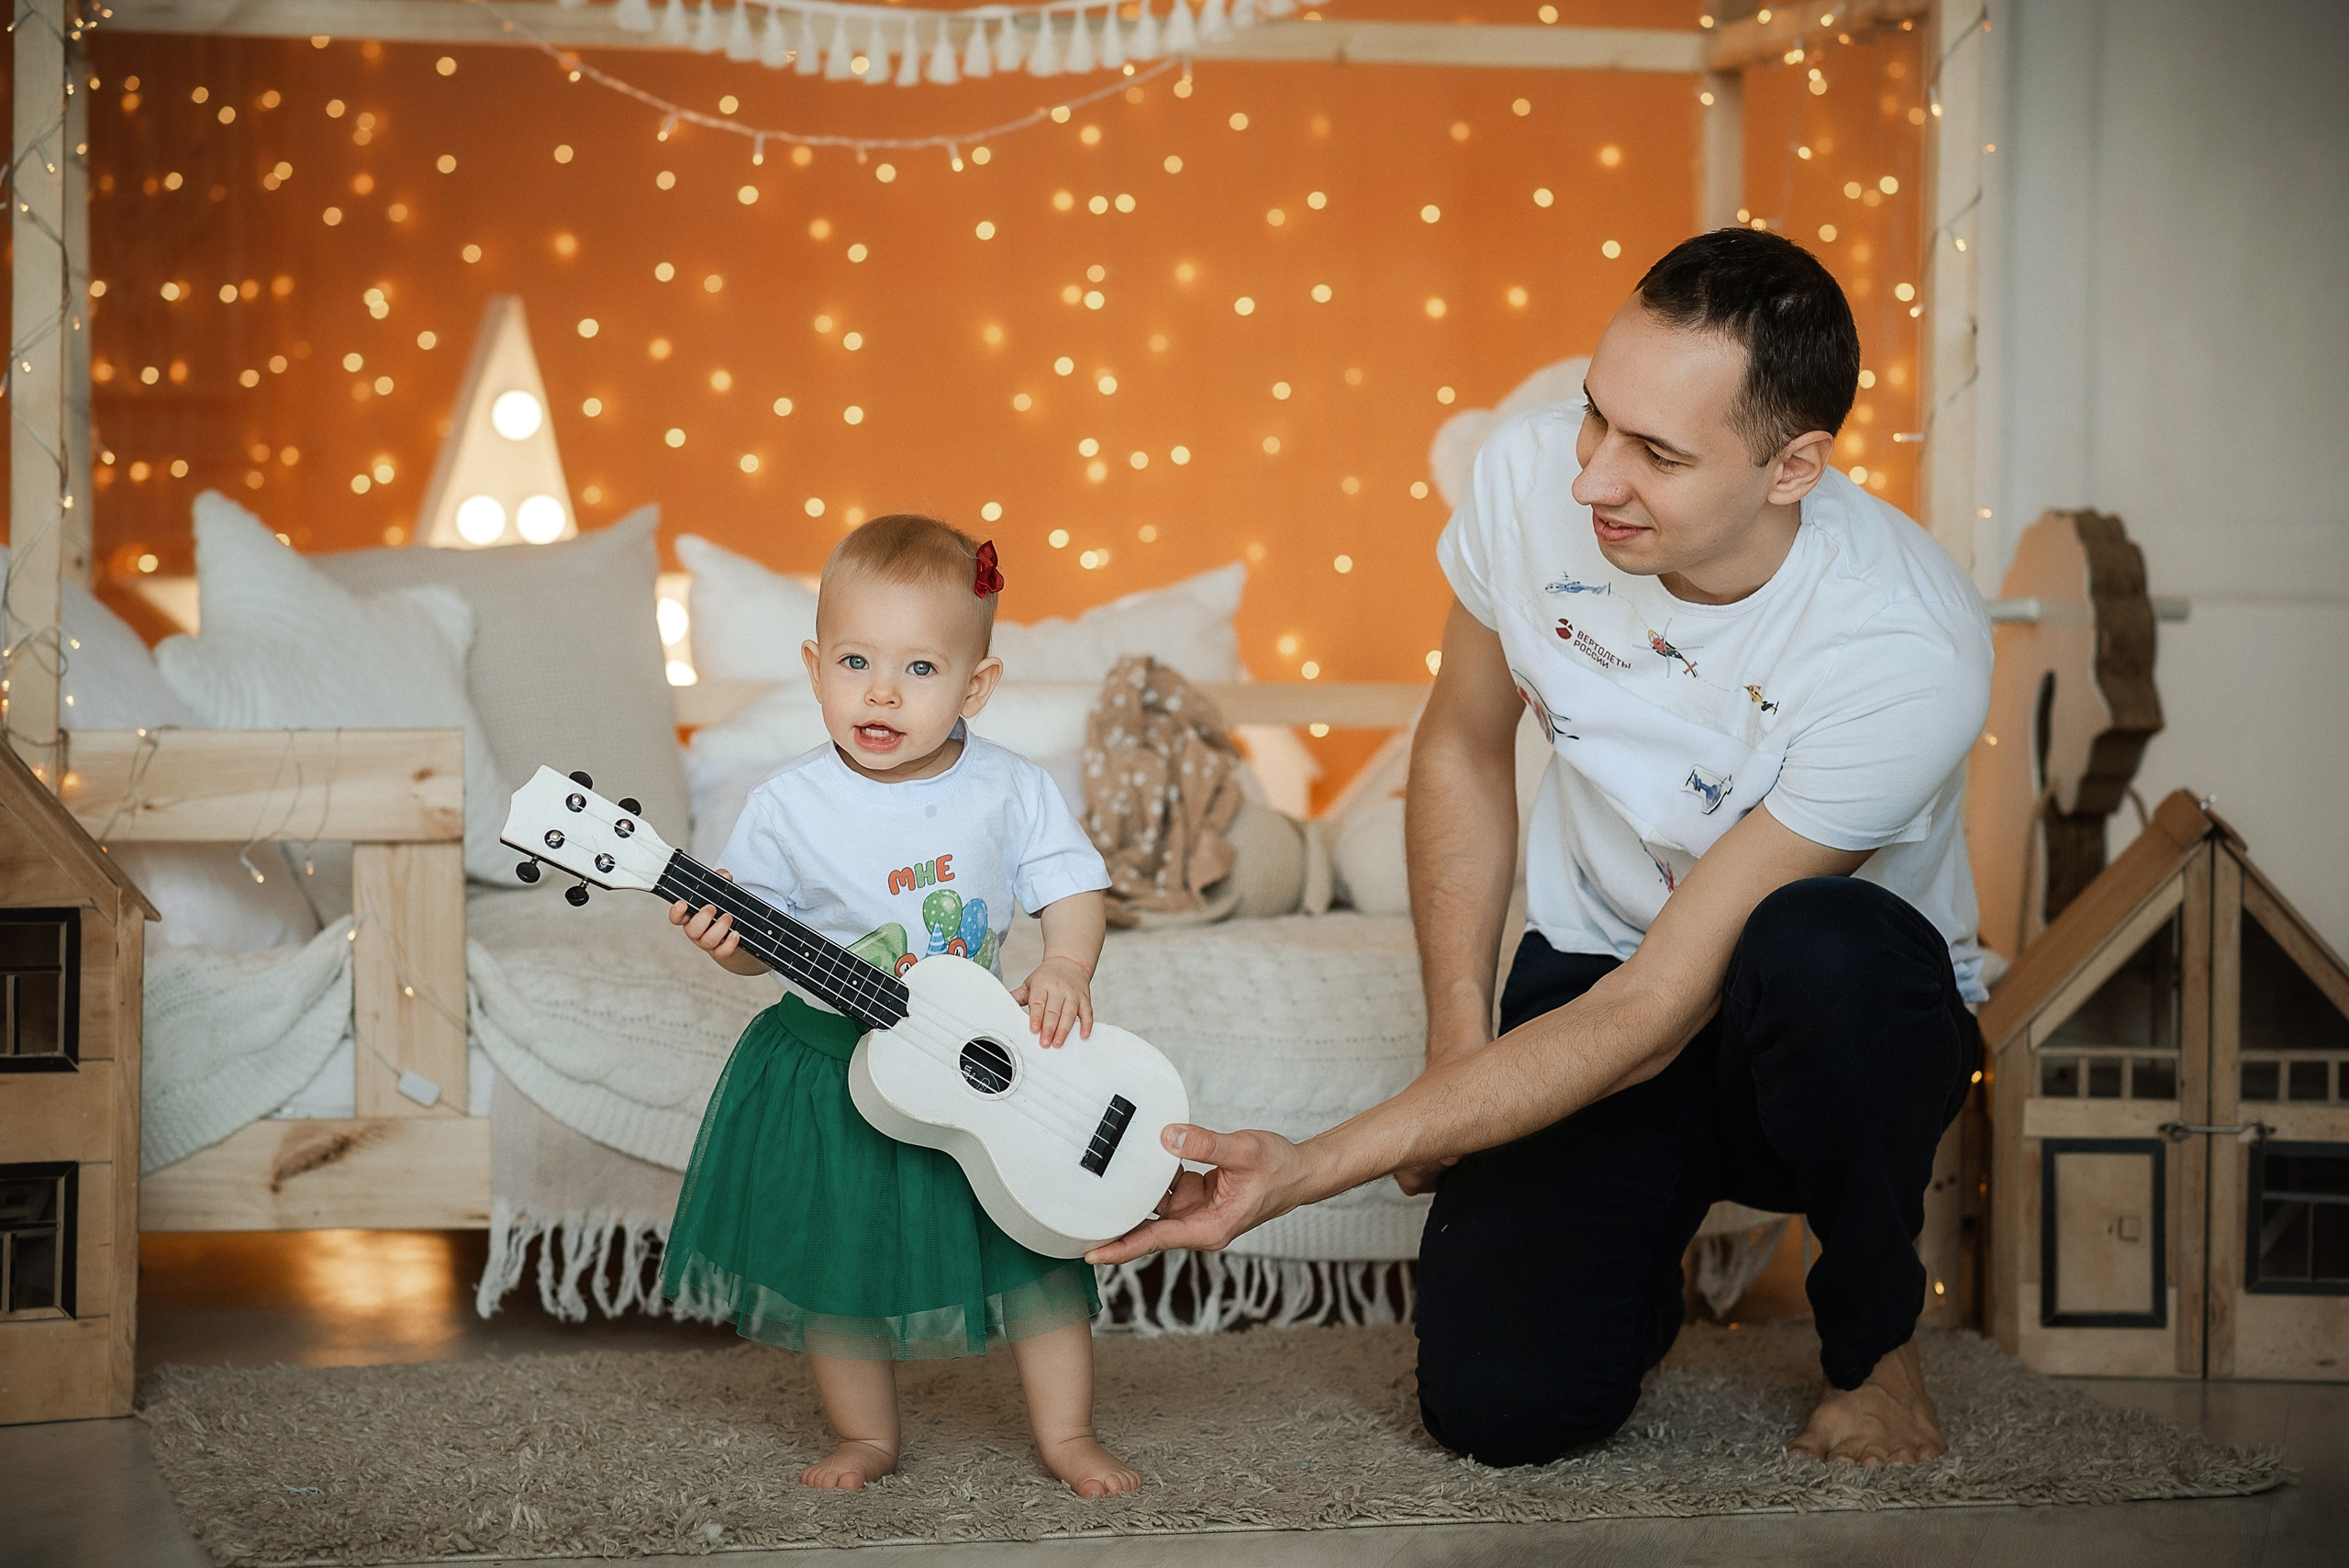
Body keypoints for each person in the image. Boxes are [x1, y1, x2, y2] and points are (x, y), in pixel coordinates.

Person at [1090, 229, 1992, 1470]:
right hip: (1597, 965)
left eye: (1658, 454)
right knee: (1500, 1410)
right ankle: (1633, 1266)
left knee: (1824, 947)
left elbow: (1659, 1014)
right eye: (1595, 418)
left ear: (1794, 468)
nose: (1591, 481)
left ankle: (1879, 1349)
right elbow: (1461, 744)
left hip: (1827, 1026)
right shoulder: (1524, 484)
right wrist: (1461, 1040)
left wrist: (1308, 1166)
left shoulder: (1905, 645)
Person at [662, 516, 1141, 1498]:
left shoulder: (1010, 787)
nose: (880, 691)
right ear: (813, 666)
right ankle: (864, 1434)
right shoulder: (784, 805)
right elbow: (762, 954)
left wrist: (1067, 965)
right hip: (837, 1064)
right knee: (841, 1261)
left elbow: (1072, 885)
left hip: (980, 1062)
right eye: (853, 660)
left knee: (1034, 1250)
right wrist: (732, 945)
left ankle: (1069, 1432)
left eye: (920, 668)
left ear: (976, 685)